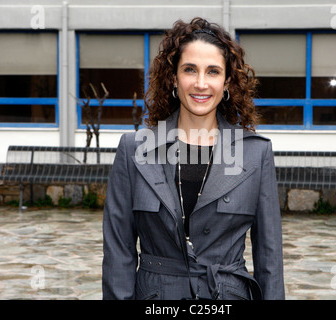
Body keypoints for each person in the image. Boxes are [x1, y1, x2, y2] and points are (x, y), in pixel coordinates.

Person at [102, 17, 284, 300]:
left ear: (226, 82)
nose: (201, 84)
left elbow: (269, 258)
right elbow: (118, 252)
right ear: (174, 78)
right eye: (190, 70)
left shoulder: (255, 153)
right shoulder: (135, 149)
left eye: (213, 71)